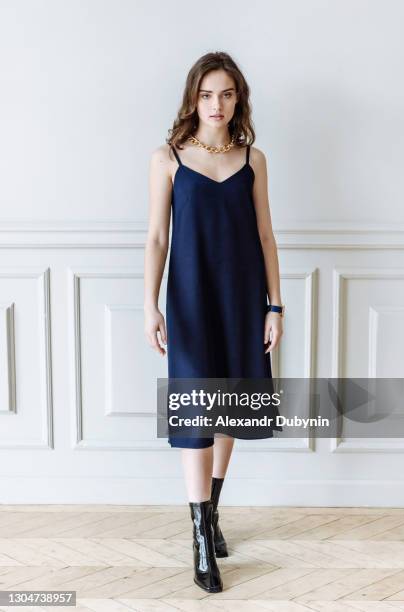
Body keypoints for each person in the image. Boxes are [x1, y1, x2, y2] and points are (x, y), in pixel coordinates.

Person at [144, 51, 284, 593]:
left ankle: (215, 512)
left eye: (226, 94)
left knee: (229, 406)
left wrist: (275, 306)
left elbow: (267, 236)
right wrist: (150, 305)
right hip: (190, 299)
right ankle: (201, 536)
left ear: (238, 98)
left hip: (243, 298)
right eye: (207, 94)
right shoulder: (168, 159)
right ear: (192, 98)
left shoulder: (254, 158)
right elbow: (157, 237)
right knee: (197, 412)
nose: (217, 104)